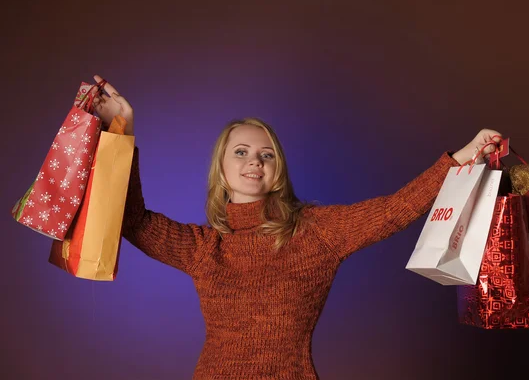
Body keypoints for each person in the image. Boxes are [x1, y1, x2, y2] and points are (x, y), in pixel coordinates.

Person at [91, 74, 500, 379]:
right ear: (221, 169)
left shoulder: (315, 231)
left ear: (278, 171)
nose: (255, 161)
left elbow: (396, 208)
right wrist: (120, 129)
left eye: (267, 154)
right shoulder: (203, 247)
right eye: (241, 152)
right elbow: (134, 222)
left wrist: (464, 156)